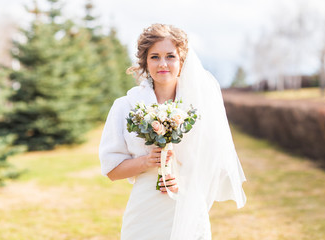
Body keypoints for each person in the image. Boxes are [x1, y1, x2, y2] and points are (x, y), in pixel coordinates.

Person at [99, 23, 247, 240]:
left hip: (187, 207)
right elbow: (112, 171)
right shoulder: (126, 106)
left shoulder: (201, 107)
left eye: (170, 56)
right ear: (145, 61)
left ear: (182, 60)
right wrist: (146, 162)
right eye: (155, 57)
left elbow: (217, 164)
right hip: (144, 211)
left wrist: (184, 182)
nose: (163, 64)